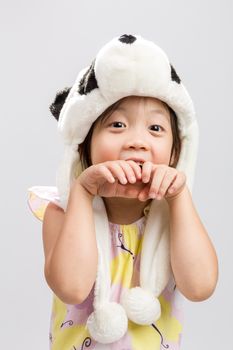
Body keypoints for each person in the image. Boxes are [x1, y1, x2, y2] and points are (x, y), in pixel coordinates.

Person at [27, 34, 218, 349]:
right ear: (85, 146)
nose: (137, 141)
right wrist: (82, 192)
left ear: (175, 154)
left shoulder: (175, 217)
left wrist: (180, 196)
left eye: (155, 129)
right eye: (117, 125)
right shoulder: (61, 211)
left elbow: (200, 287)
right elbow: (72, 288)